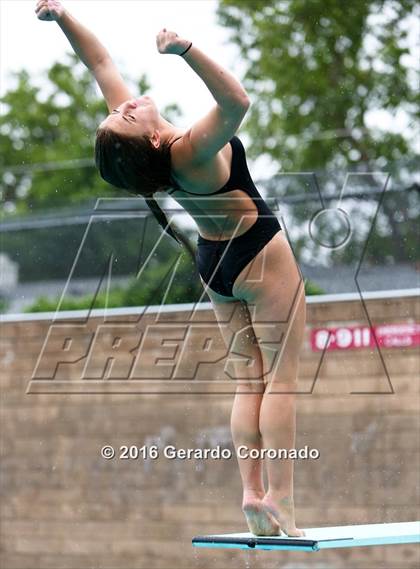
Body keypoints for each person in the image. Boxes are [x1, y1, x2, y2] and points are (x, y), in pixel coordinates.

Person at [36, 0, 306, 537]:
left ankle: (252, 493)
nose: (126, 105)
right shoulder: (189, 150)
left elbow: (100, 66)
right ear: (153, 139)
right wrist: (185, 50)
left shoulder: (152, 155)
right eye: (125, 115)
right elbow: (236, 100)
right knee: (284, 379)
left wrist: (62, 17)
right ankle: (282, 500)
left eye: (119, 111)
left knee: (247, 379)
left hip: (214, 264)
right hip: (257, 251)